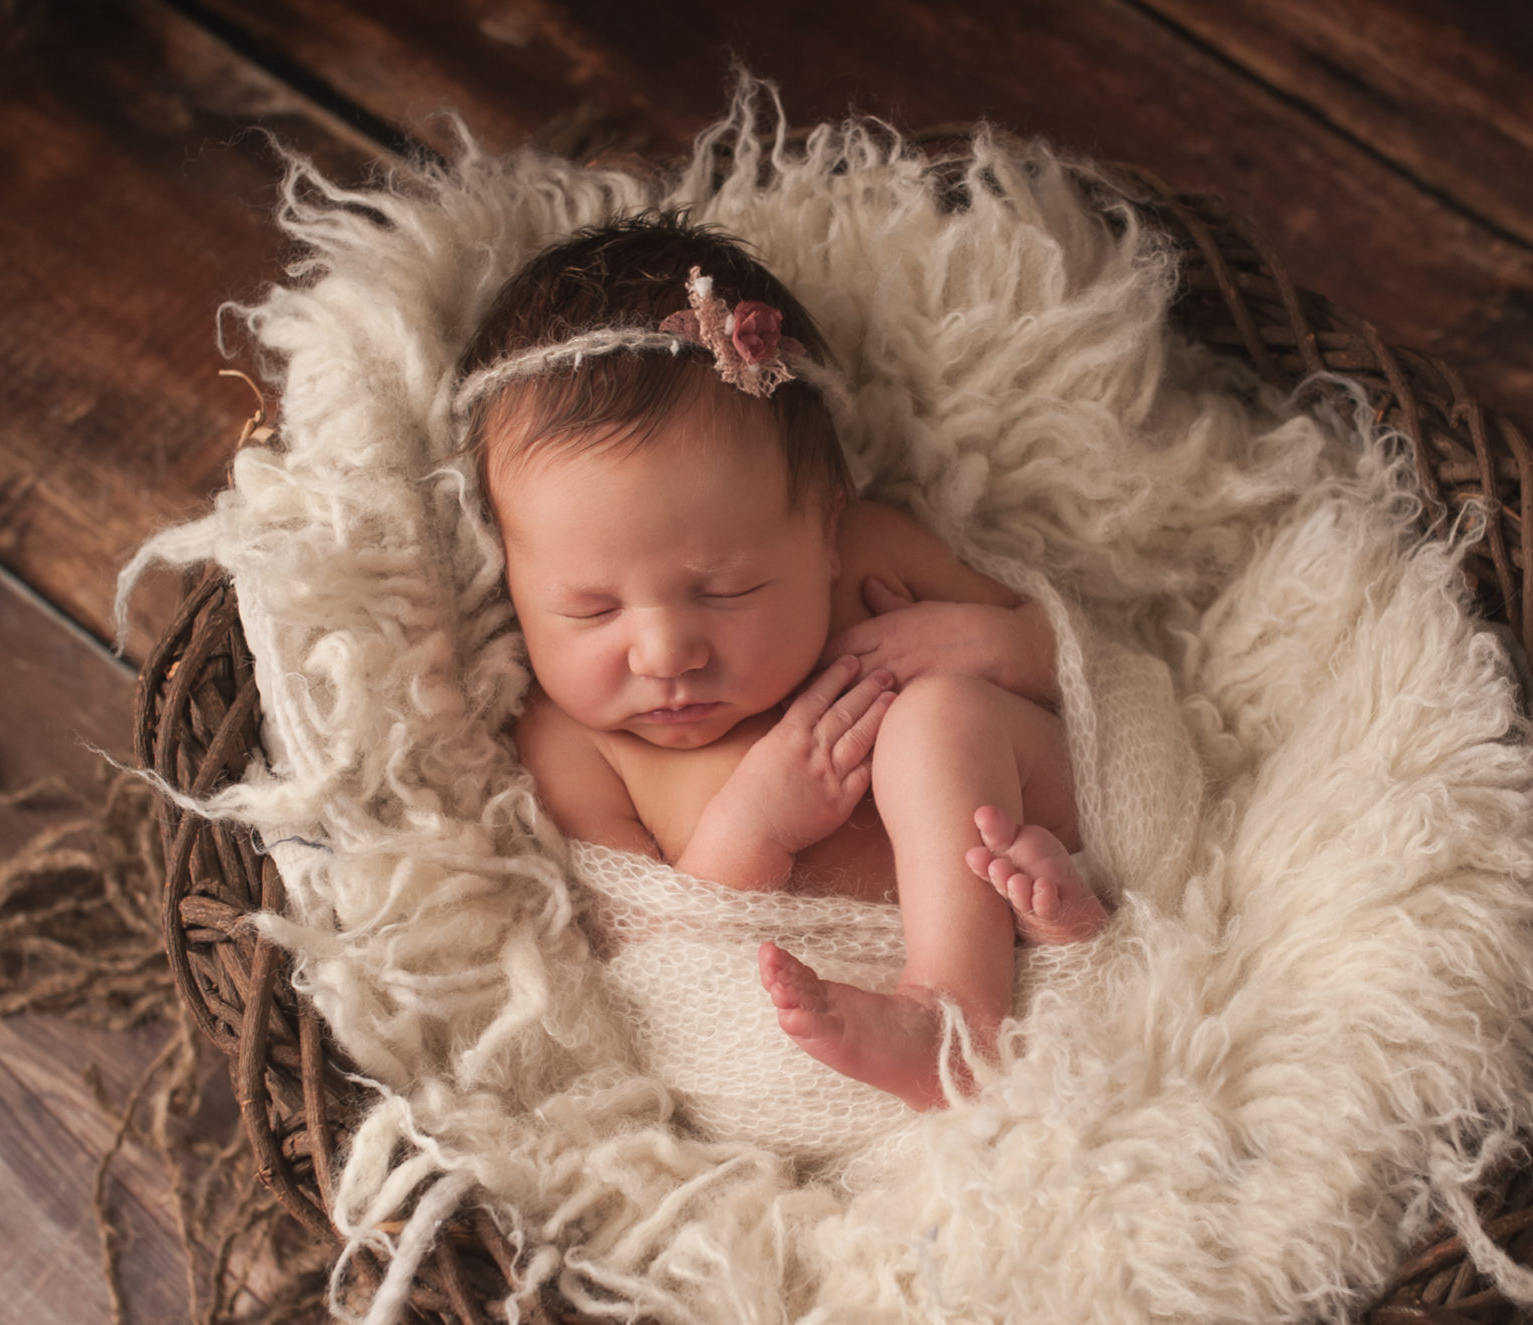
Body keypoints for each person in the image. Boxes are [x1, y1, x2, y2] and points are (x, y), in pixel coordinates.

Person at [458, 217, 1104, 1109]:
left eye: (727, 591)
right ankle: (1061, 944)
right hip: (828, 1003)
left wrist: (1000, 642)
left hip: (1035, 836)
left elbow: (1082, 673)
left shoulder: (873, 556)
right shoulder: (568, 739)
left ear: (826, 533)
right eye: (590, 609)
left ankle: (966, 1011)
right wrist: (753, 827)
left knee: (940, 721)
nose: (665, 651)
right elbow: (642, 956)